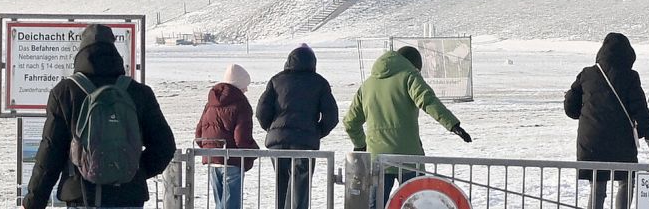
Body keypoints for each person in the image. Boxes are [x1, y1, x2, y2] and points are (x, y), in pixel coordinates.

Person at [22, 24, 176, 209]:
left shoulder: (65, 92)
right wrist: (134, 170)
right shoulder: (139, 92)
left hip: (82, 196)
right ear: (114, 51)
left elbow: (50, 151)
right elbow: (165, 145)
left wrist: (33, 202)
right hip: (128, 197)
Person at [343, 46, 473, 208]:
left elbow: (350, 122)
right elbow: (428, 100)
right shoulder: (409, 76)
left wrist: (361, 145)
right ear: (413, 65)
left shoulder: (367, 85)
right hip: (409, 158)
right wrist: (453, 124)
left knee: (376, 206)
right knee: (416, 203)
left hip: (378, 159)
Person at [564, 32, 649, 209]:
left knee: (598, 185)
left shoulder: (587, 74)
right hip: (621, 140)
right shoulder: (630, 77)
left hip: (591, 140)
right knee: (626, 180)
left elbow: (570, 107)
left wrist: (587, 115)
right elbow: (641, 110)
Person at [257, 44, 339, 209]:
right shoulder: (320, 82)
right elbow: (332, 116)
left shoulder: (276, 80)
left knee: (281, 185)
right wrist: (316, 132)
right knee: (300, 189)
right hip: (305, 143)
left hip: (277, 144)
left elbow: (261, 111)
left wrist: (272, 129)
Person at [196, 64, 260, 209]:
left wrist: (209, 148)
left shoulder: (210, 103)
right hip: (231, 159)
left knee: (220, 204)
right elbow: (241, 138)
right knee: (231, 205)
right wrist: (253, 152)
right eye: (245, 85)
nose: (246, 89)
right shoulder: (241, 104)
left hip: (212, 158)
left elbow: (199, 132)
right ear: (238, 84)